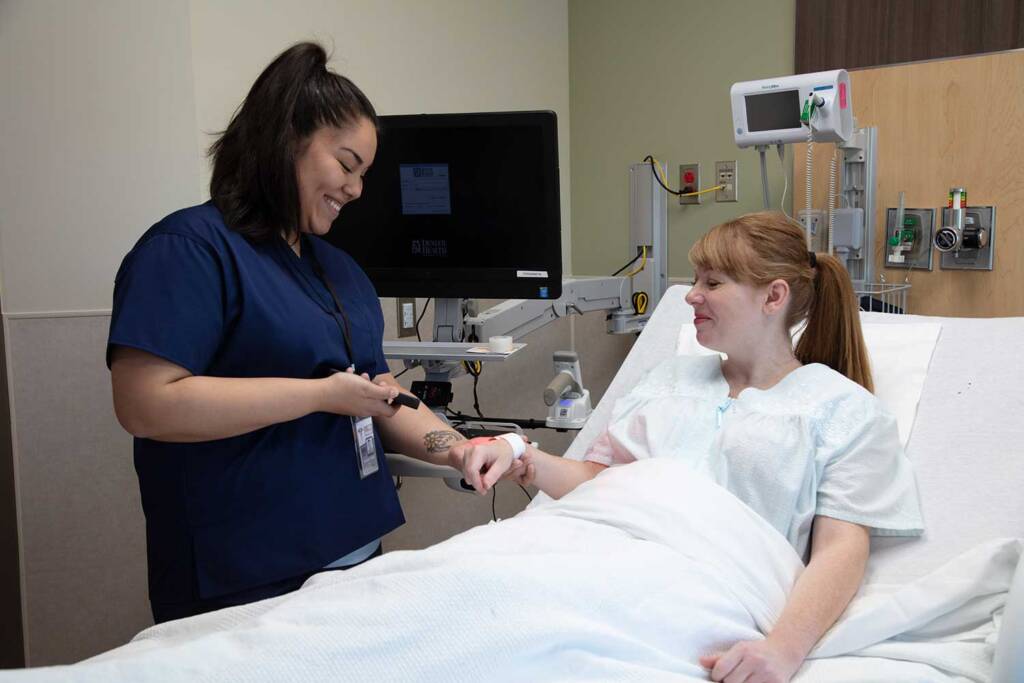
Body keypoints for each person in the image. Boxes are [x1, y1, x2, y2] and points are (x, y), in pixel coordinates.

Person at [449, 211, 924, 683]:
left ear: (773, 296)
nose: (691, 295)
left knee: (528, 642)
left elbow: (841, 550)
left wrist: (782, 649)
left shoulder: (843, 410)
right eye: (696, 280)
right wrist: (521, 457)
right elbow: (600, 483)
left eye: (713, 283)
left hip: (701, 587)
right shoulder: (668, 381)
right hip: (590, 549)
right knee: (463, 588)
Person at [108, 42, 472, 623]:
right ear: (286, 140)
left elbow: (378, 392)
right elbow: (145, 404)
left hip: (354, 555)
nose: (356, 189)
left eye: (364, 175)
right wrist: (320, 396)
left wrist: (456, 448)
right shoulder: (188, 251)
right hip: (245, 574)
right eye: (347, 164)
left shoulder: (341, 271)